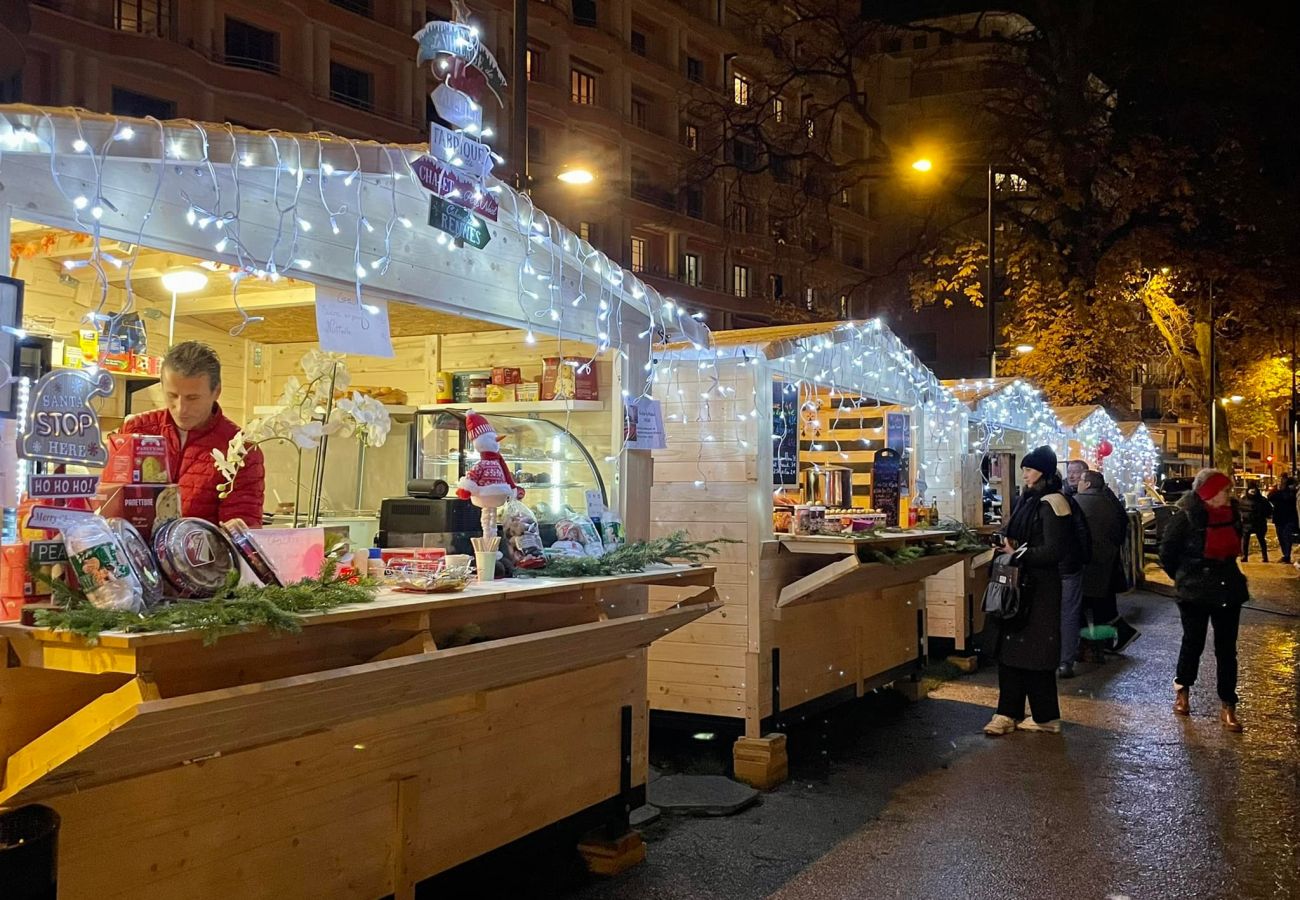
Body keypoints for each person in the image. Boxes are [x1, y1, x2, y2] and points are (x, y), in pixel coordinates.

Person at [121, 341, 265, 527]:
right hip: (135, 553)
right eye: (172, 396)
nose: (181, 409)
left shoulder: (241, 449)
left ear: (216, 391)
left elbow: (242, 531)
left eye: (193, 398)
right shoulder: (136, 430)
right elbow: (111, 503)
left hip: (203, 554)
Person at [983, 445, 1071, 736]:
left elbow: (1054, 550)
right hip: (1018, 586)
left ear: (1043, 473)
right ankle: (1007, 712)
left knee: (1035, 652)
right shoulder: (1029, 500)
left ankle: (1045, 716)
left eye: (1030, 469)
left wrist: (1017, 551)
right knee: (1011, 649)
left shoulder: (1052, 503)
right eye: (1024, 469)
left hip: (1039, 590)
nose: (1025, 474)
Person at [1159, 469, 1248, 732]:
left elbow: (1236, 547)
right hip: (1194, 591)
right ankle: (1182, 691)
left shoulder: (1232, 515)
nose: (1227, 495)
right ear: (1208, 492)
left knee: (1226, 649)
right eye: (1223, 490)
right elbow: (1168, 552)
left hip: (1227, 589)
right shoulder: (1186, 516)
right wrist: (1184, 578)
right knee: (1193, 642)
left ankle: (1228, 704)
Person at [1074, 470, 1139, 649]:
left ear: (1087, 484)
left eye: (1080, 479)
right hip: (1107, 562)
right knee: (1102, 606)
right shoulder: (1110, 502)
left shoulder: (1079, 502)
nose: (1077, 482)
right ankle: (1104, 642)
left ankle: (1094, 645)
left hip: (1089, 564)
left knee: (1091, 608)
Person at [1268, 476, 1297, 563]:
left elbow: (1271, 497)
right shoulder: (1282, 493)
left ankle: (1286, 555)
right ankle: (1286, 555)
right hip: (1284, 518)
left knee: (1285, 537)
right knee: (1283, 537)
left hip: (1286, 518)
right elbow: (1270, 498)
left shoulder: (1291, 493)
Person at [1238, 485, 1271, 561]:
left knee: (1261, 540)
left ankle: (1264, 556)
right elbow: (1239, 509)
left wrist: (1263, 515)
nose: (1253, 493)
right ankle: (1244, 556)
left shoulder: (1262, 500)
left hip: (1259, 523)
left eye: (1254, 491)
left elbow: (1268, 510)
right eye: (1251, 491)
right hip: (1247, 523)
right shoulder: (1243, 500)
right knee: (1245, 541)